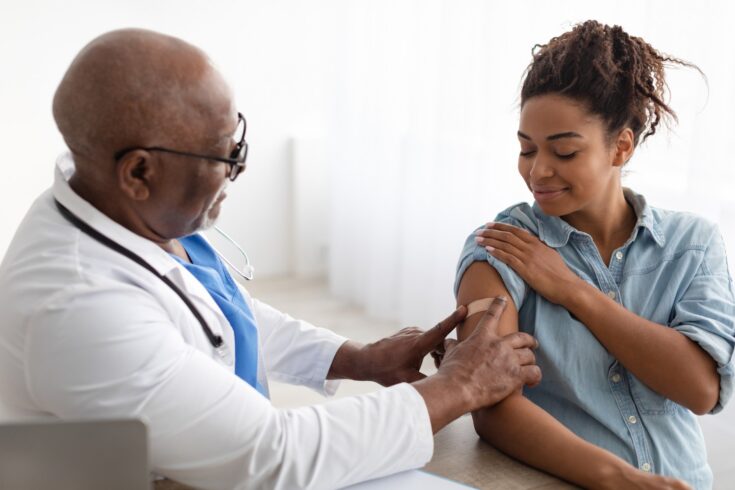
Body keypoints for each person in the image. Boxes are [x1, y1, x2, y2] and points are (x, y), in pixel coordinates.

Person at [0, 29, 542, 489]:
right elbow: (271, 455)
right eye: (224, 154)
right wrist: (458, 386)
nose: (238, 167)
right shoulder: (79, 306)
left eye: (237, 139)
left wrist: (357, 357)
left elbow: (215, 314)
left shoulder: (112, 207)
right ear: (139, 173)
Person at [453, 20, 735, 490]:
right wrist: (620, 480)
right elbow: (490, 405)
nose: (538, 171)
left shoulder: (693, 244)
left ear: (620, 146)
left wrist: (573, 292)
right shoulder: (500, 247)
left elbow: (701, 390)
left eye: (564, 152)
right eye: (526, 150)